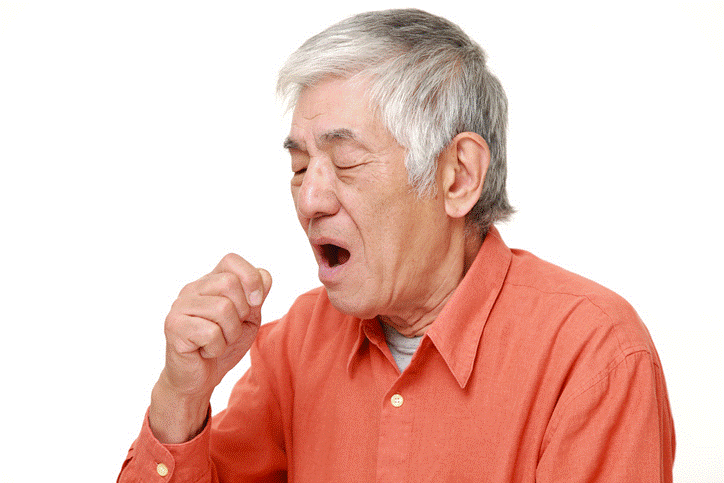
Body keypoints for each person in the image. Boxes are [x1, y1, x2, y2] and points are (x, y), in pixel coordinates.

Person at [118, 9, 674, 482]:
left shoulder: (594, 353)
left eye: (346, 161)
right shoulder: (295, 345)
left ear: (457, 176)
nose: (310, 197)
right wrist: (181, 397)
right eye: (299, 165)